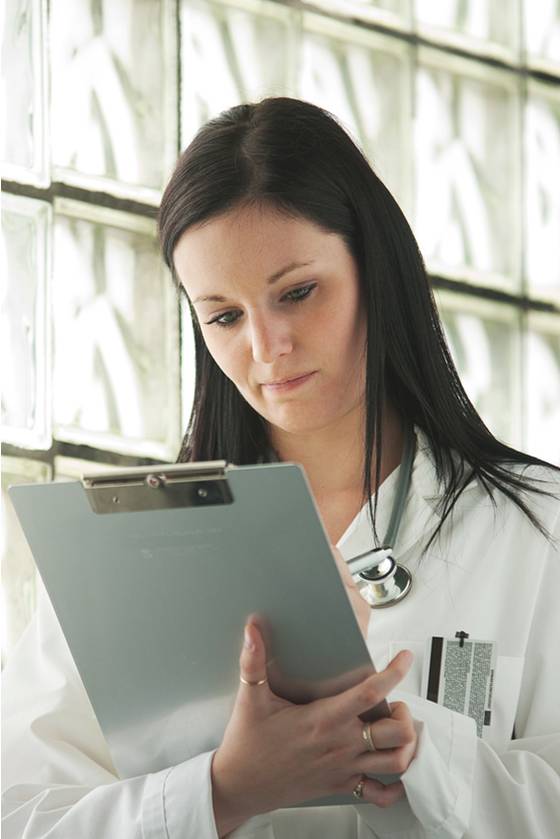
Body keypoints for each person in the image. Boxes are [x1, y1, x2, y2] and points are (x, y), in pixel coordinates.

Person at [2, 96, 559, 839]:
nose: (267, 348)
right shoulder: (120, 554)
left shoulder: (537, 532)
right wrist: (221, 791)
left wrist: (424, 754)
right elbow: (20, 814)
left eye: (297, 292)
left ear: (376, 269)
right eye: (224, 316)